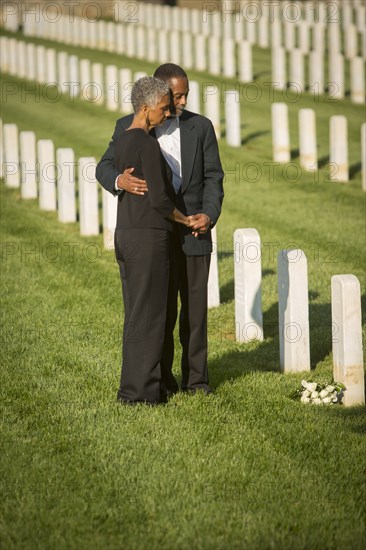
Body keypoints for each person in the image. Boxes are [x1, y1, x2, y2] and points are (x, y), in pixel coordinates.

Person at [96, 64, 224, 397]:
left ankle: (197, 381)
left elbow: (213, 177)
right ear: (158, 94)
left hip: (193, 230)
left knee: (195, 312)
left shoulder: (202, 127)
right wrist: (118, 180)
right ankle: (161, 379)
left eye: (184, 95)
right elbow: (104, 165)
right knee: (160, 310)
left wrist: (208, 214)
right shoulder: (129, 126)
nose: (180, 103)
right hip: (154, 232)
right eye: (175, 96)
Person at [104, 76, 196, 405]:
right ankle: (141, 393)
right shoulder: (146, 144)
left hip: (126, 234)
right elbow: (159, 199)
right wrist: (186, 219)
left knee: (136, 314)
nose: (167, 114)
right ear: (145, 109)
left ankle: (134, 389)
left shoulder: (125, 140)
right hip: (149, 238)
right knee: (153, 316)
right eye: (162, 109)